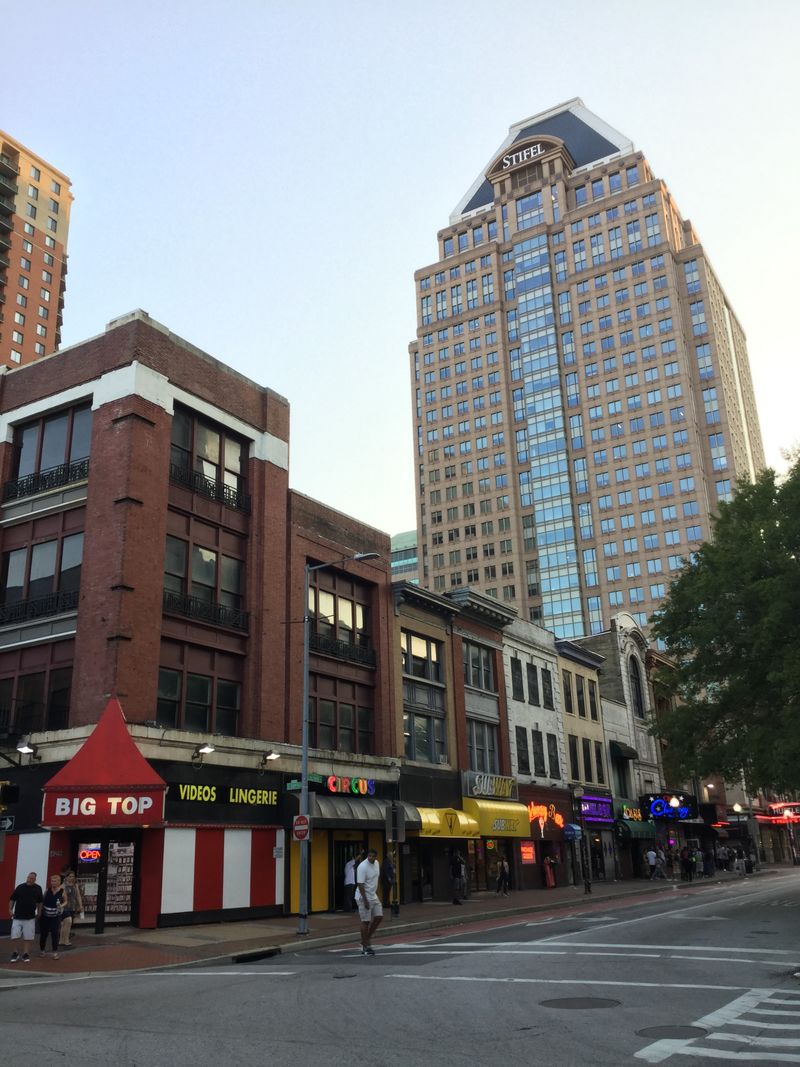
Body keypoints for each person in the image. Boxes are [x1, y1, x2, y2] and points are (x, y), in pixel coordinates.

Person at [9, 871, 43, 964]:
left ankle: (25, 954)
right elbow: (12, 899)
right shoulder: (20, 887)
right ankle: (15, 953)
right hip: (17, 917)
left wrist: (39, 912)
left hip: (30, 917)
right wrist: (10, 910)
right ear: (27, 878)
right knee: (14, 936)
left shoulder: (38, 888)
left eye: (32, 878)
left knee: (28, 937)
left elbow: (40, 902)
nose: (29, 880)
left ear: (35, 880)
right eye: (28, 878)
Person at [355, 848, 383, 956]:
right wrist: (365, 901)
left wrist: (377, 893)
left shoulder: (376, 863)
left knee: (379, 916)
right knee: (365, 921)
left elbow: (376, 880)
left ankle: (366, 939)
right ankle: (365, 946)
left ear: (376, 856)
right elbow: (360, 884)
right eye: (369, 856)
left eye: (373, 856)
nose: (371, 858)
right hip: (363, 897)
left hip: (373, 895)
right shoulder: (362, 866)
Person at [39, 873, 65, 960]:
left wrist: (62, 905)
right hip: (45, 916)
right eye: (52, 881)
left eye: (55, 881)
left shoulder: (62, 891)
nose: (53, 883)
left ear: (59, 882)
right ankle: (42, 950)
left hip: (55, 916)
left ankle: (55, 952)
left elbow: (66, 901)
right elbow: (42, 901)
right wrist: (39, 912)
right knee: (44, 934)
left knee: (55, 934)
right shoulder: (47, 890)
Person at [59, 871, 84, 948]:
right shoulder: (63, 886)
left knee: (68, 924)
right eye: (70, 876)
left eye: (73, 876)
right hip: (65, 907)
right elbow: (60, 897)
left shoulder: (75, 885)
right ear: (66, 877)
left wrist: (80, 905)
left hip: (72, 907)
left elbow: (78, 896)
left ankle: (62, 940)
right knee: (66, 923)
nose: (71, 878)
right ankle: (65, 940)